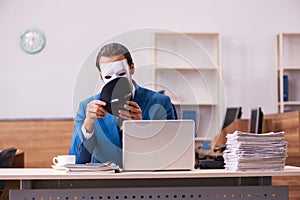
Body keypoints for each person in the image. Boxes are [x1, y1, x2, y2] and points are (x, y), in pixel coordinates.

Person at [69, 43, 175, 166]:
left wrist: (141, 128)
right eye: (108, 76)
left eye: (121, 74)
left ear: (132, 68)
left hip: (145, 178)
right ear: (102, 77)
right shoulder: (87, 107)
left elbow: (170, 156)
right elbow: (77, 160)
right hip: (105, 181)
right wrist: (88, 125)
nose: (116, 81)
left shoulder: (160, 103)